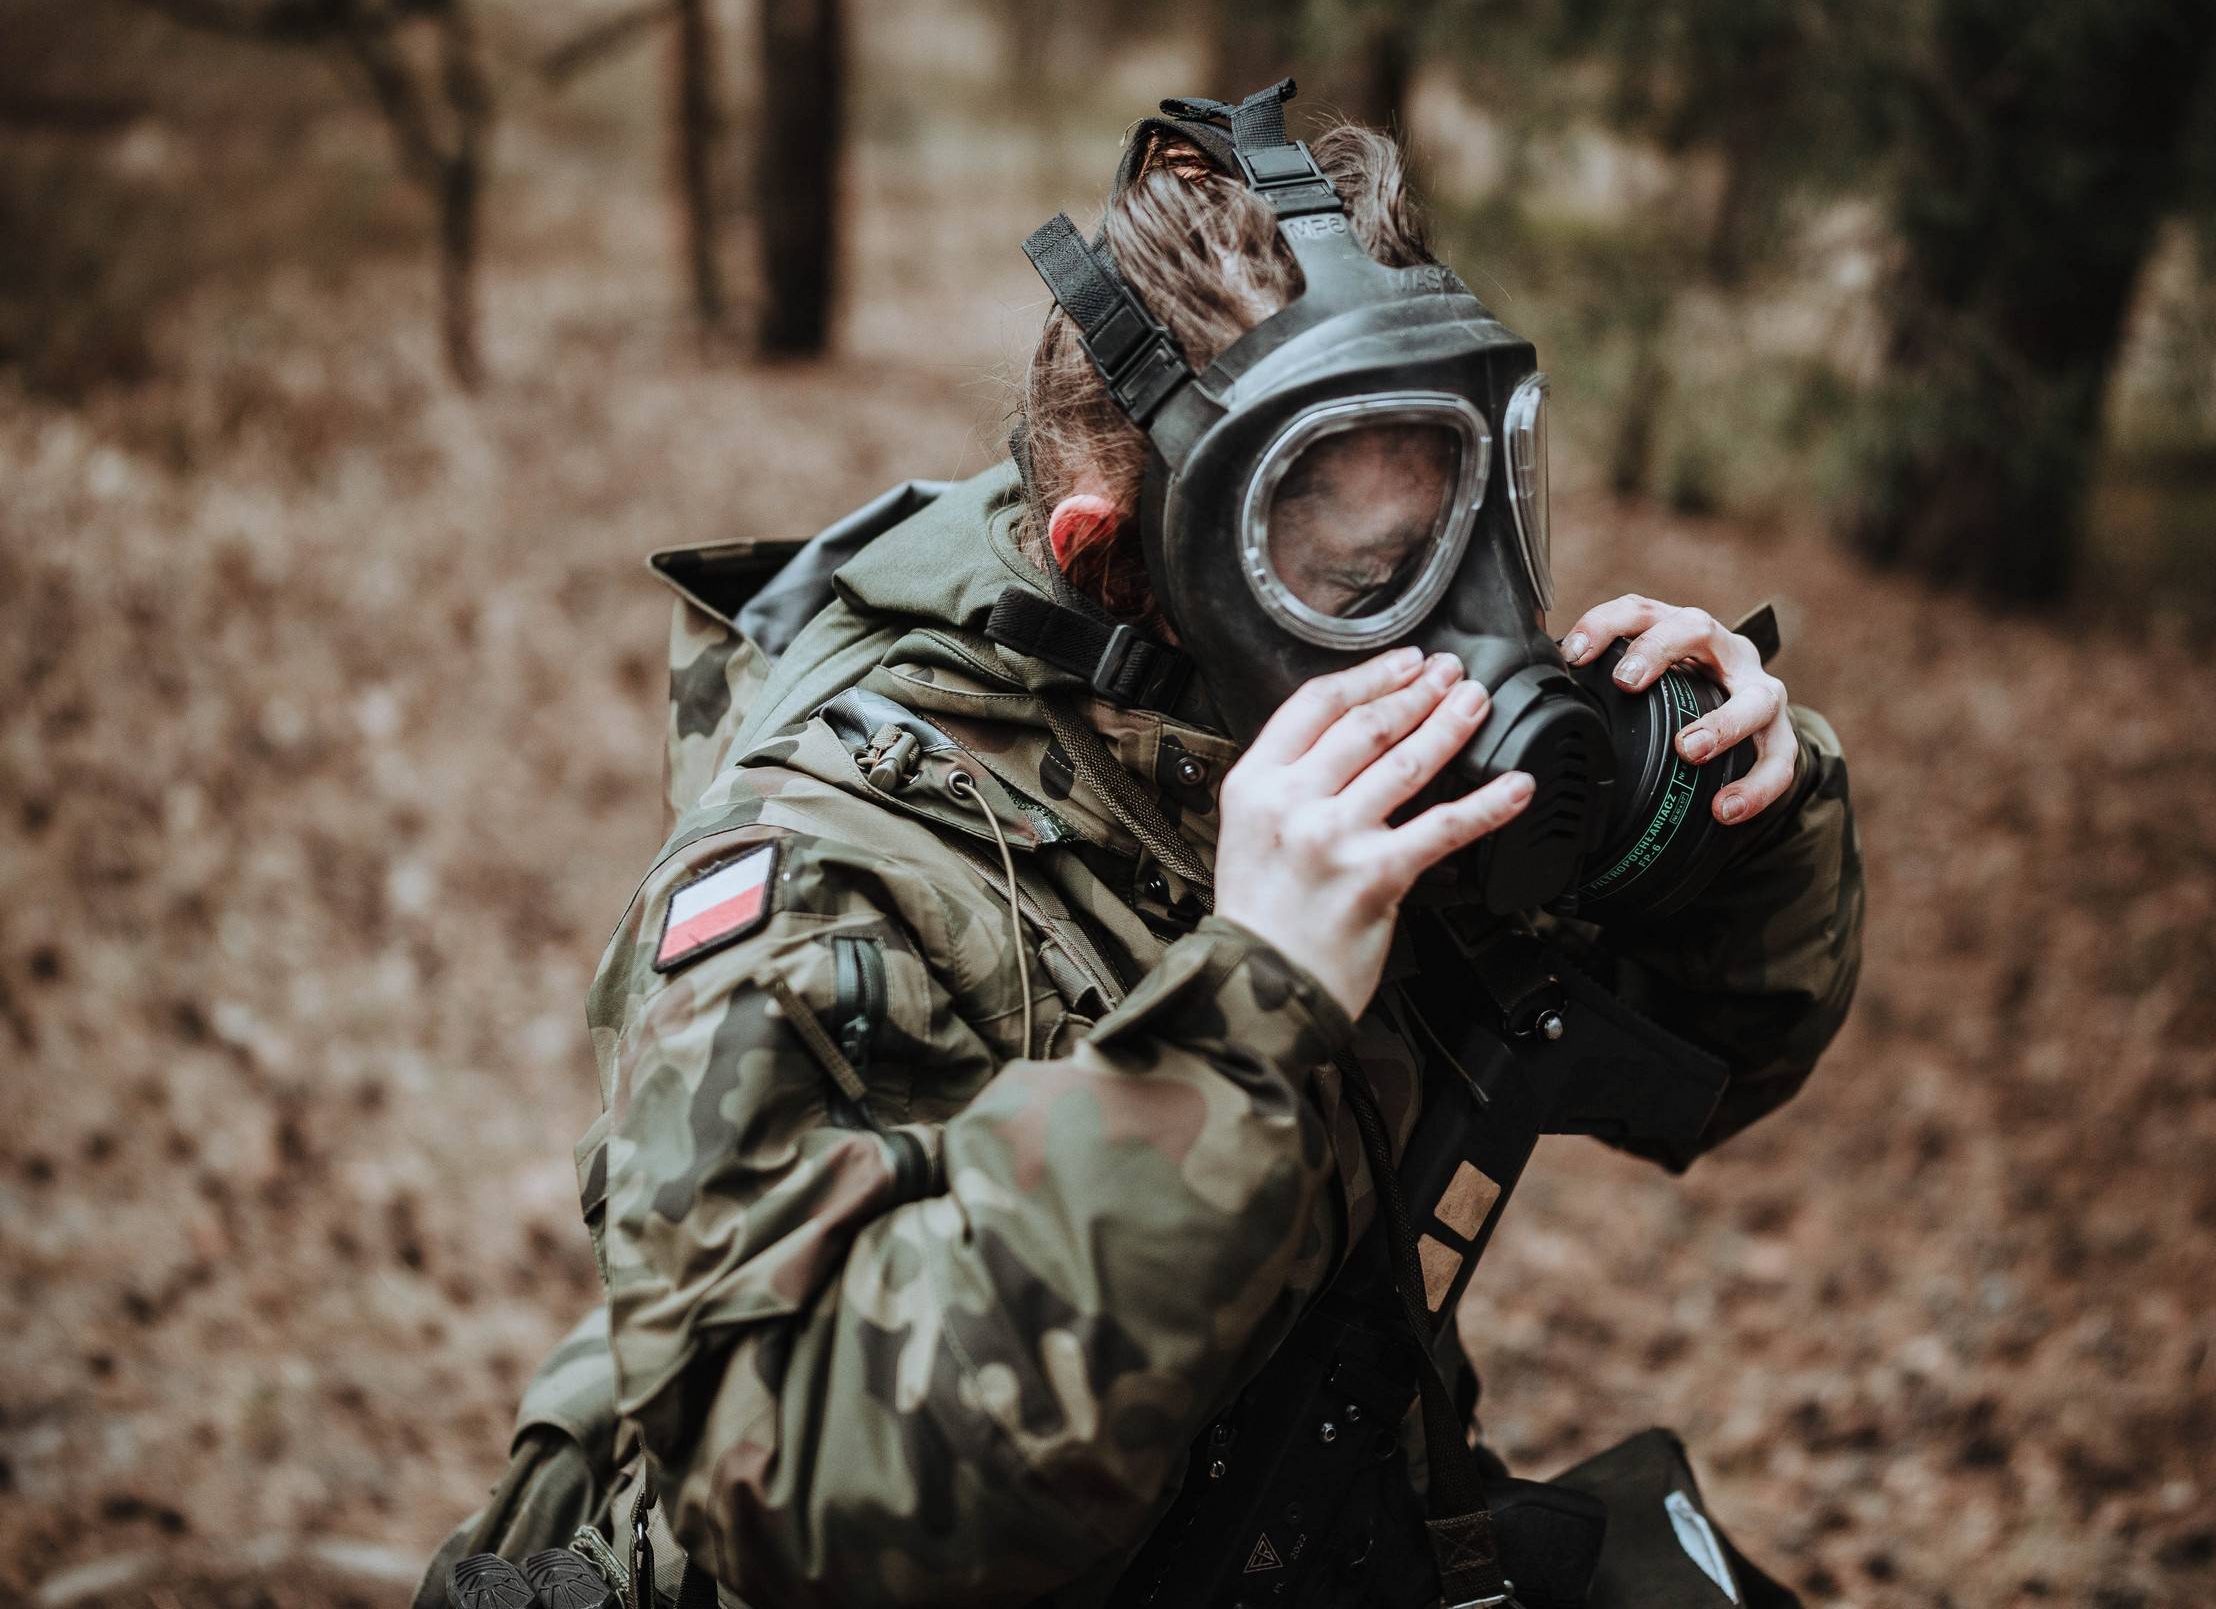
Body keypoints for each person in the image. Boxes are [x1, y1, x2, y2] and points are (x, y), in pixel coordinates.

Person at [417, 82, 1862, 1609]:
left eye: (1475, 521)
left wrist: (1735, 812)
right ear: (1115, 564)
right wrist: (1251, 1008)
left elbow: (1716, 1062)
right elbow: (807, 1496)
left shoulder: (1327, 706)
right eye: (1367, 576)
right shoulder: (830, 878)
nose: (1468, 626)